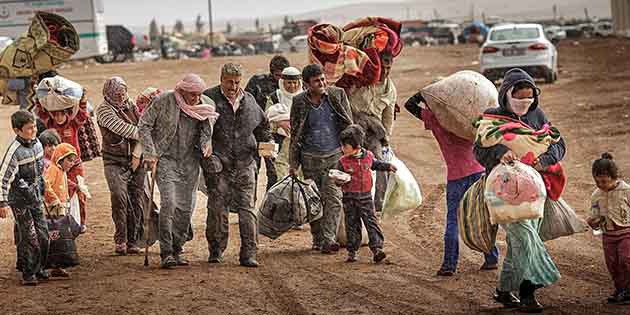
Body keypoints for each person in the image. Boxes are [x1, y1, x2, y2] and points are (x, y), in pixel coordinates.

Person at [475, 68, 564, 313]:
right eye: (519, 97)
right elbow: (479, 150)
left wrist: (544, 160)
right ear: (506, 95)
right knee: (526, 240)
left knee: (517, 245)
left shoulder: (538, 116)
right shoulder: (492, 118)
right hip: (502, 193)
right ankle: (528, 292)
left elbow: (558, 145)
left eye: (529, 98)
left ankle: (504, 291)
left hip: (535, 191)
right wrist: (499, 152)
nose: (525, 102)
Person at [404, 91, 499, 276]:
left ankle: (449, 265)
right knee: (483, 216)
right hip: (479, 171)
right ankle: (491, 258)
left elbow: (410, 104)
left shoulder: (435, 119)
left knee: (453, 221)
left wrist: (427, 93)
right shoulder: (469, 116)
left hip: (456, 176)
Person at [139, 74, 216, 269]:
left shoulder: (205, 103)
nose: (196, 99)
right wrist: (149, 152)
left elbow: (207, 128)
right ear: (181, 91)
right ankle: (166, 252)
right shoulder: (163, 100)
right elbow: (144, 125)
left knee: (186, 207)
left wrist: (206, 143)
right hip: (165, 159)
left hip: (190, 162)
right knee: (170, 203)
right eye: (192, 95)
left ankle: (177, 248)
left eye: (199, 94)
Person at [203, 63, 273, 268]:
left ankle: (249, 254)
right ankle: (215, 250)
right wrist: (207, 155)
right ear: (221, 78)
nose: (233, 87)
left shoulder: (250, 101)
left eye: (236, 82)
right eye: (229, 82)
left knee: (247, 210)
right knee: (217, 208)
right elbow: (199, 130)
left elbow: (263, 128)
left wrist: (267, 152)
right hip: (218, 165)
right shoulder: (209, 99)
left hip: (245, 163)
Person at [289, 64, 353, 254]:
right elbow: (295, 134)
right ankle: (317, 238)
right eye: (317, 81)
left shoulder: (337, 95)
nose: (322, 83)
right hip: (309, 159)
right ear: (307, 84)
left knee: (334, 198)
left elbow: (349, 124)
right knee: (314, 201)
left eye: (323, 79)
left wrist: (352, 152)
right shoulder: (299, 101)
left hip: (334, 157)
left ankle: (328, 239)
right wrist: (293, 164)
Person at [96, 77, 147, 255]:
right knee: (119, 197)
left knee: (136, 198)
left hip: (136, 159)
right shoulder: (103, 110)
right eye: (117, 94)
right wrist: (147, 133)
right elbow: (127, 130)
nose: (121, 96)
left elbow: (143, 124)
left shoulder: (130, 103)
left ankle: (133, 241)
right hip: (114, 160)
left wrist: (138, 153)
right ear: (108, 94)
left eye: (123, 92)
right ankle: (120, 239)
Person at [0, 110, 49, 285]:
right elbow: (3, 178)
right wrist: (2, 203)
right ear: (17, 130)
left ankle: (39, 267)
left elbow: (42, 172)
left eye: (34, 126)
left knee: (43, 234)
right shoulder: (14, 152)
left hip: (36, 197)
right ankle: (29, 273)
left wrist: (44, 191)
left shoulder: (38, 145)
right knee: (29, 236)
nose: (34, 130)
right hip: (19, 200)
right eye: (29, 128)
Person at [334, 125, 396, 263]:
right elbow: (338, 177)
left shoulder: (368, 156)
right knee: (352, 224)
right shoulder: (342, 161)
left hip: (366, 197)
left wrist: (388, 166)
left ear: (356, 146)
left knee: (371, 222)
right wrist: (339, 181)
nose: (342, 149)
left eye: (345, 146)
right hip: (349, 198)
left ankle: (377, 249)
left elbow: (375, 164)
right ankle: (352, 251)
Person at [348, 53, 397, 213]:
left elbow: (388, 116)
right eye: (383, 67)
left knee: (380, 164)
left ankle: (377, 205)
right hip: (354, 128)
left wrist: (386, 139)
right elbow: (347, 102)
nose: (385, 71)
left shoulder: (390, 89)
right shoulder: (360, 82)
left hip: (374, 132)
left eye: (389, 67)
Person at [36, 89, 90, 232]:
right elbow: (41, 112)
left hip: (75, 163)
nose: (59, 117)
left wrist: (83, 99)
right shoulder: (50, 124)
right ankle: (63, 221)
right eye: (56, 114)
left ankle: (81, 222)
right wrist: (38, 96)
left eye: (62, 114)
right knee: (61, 192)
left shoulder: (73, 124)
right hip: (58, 165)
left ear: (67, 113)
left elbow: (82, 115)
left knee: (79, 192)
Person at [587, 153, 630, 305]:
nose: (601, 185)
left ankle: (628, 290)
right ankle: (620, 289)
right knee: (612, 264)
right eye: (597, 182)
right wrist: (593, 222)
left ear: (615, 177)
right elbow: (594, 215)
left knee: (625, 260)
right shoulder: (596, 195)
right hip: (608, 235)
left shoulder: (626, 191)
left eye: (604, 181)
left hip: (626, 233)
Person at [246, 55, 290, 191]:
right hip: (256, 134)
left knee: (275, 173)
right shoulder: (257, 83)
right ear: (271, 72)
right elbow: (247, 103)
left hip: (276, 137)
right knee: (252, 171)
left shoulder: (290, 86)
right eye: (278, 75)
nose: (281, 79)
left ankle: (271, 207)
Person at [43, 143, 79, 278]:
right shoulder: (53, 169)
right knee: (59, 237)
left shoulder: (61, 171)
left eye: (73, 161)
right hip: (54, 210)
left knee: (61, 237)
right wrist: (55, 201)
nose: (71, 163)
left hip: (60, 208)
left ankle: (57, 266)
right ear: (60, 158)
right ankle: (54, 265)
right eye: (69, 160)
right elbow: (46, 184)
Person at [265, 66, 303, 180]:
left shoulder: (305, 97)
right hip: (281, 146)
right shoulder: (275, 97)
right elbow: (266, 122)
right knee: (281, 179)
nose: (292, 86)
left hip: (301, 146)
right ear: (282, 82)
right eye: (289, 83)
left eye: (295, 82)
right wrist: (279, 124)